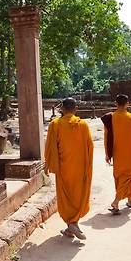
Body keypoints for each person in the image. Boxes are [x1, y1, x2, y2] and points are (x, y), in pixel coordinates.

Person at [44, 97, 94, 240]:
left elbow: (50, 147)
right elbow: (90, 147)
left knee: (66, 197)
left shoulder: (55, 124)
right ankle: (72, 226)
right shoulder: (83, 125)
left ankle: (71, 225)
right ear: (76, 109)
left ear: (62, 109)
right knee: (78, 195)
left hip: (63, 169)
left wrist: (48, 165)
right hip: (80, 168)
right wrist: (88, 166)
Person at [101, 94, 131, 215]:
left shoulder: (110, 118)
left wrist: (107, 154)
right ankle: (116, 201)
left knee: (121, 177)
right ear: (128, 103)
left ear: (115, 103)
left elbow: (107, 137)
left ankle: (130, 199)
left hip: (118, 153)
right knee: (129, 176)